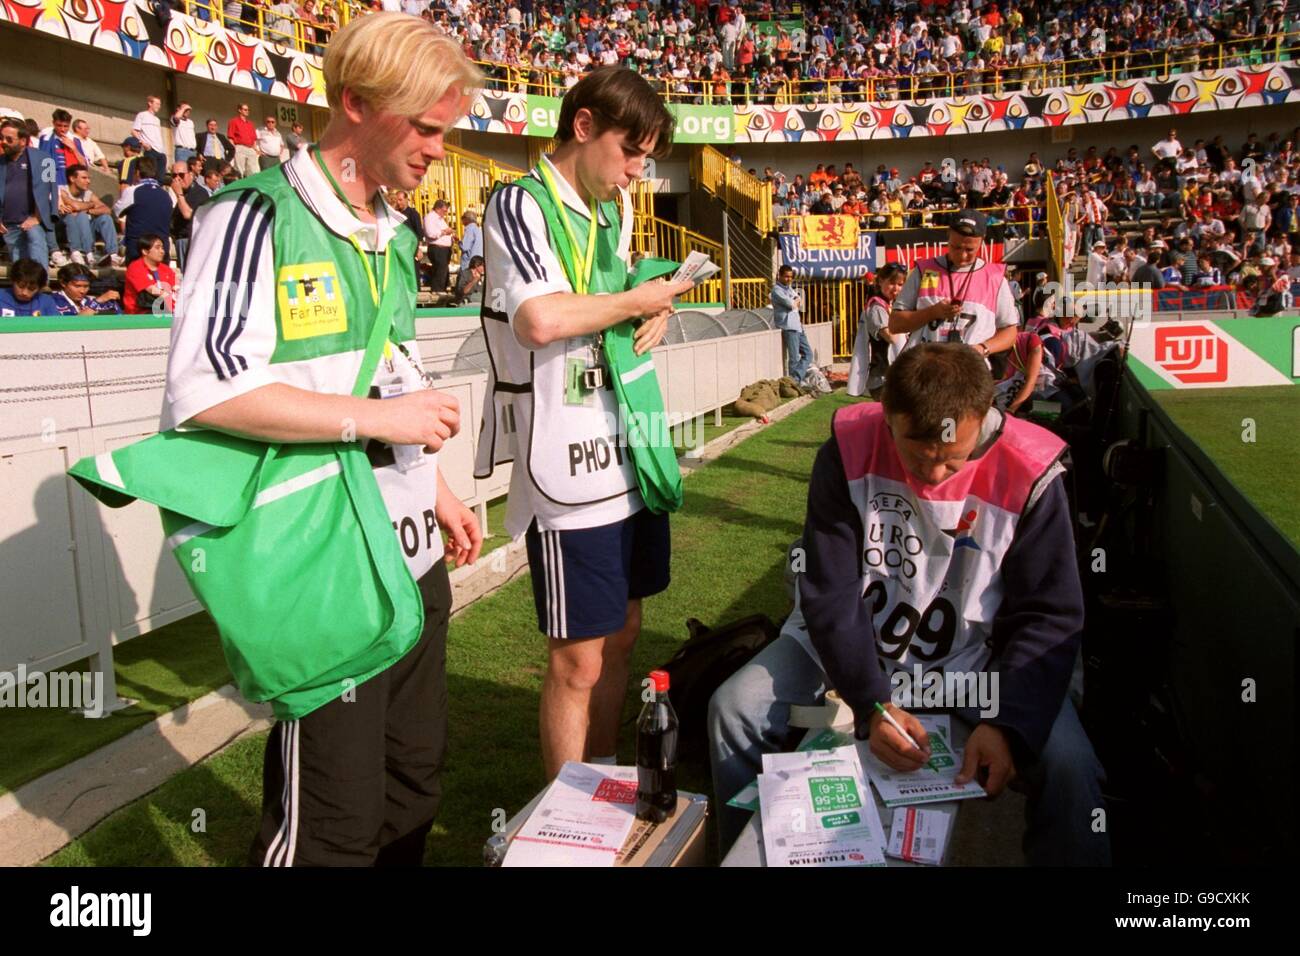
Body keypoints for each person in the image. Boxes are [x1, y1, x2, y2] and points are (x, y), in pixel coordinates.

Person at [143, 13, 483, 865]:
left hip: (409, 560)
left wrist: (432, 486)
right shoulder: (251, 214)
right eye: (428, 127)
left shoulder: (395, 236)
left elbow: (384, 375)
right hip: (323, 577)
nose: (440, 151)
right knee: (329, 827)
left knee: (413, 790)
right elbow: (207, 390)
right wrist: (380, 423)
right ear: (358, 103)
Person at [708, 343, 1109, 865]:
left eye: (952, 458)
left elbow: (1051, 615)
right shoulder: (849, 446)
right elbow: (830, 590)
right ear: (887, 418)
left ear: (982, 418)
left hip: (975, 657)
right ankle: (743, 853)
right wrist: (872, 702)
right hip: (854, 643)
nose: (935, 475)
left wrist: (1009, 724)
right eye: (917, 456)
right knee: (733, 707)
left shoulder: (1032, 468)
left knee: (1072, 769)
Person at [474, 66, 692, 780]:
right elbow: (542, 318)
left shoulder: (614, 208)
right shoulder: (520, 204)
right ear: (584, 125)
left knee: (626, 631)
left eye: (646, 158)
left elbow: (613, 290)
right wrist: (638, 302)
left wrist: (653, 302)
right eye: (631, 151)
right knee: (578, 658)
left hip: (629, 441)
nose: (636, 172)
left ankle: (604, 782)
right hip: (564, 457)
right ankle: (566, 818)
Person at [887, 209, 1019, 363]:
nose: (962, 255)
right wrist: (933, 312)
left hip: (971, 373)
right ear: (948, 235)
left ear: (982, 241)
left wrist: (983, 348)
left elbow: (1010, 331)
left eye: (970, 250)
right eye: (956, 247)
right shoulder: (924, 271)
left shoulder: (995, 278)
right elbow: (895, 324)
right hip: (925, 371)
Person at [0, 118, 58, 270]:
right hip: (8, 224)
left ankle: (42, 284)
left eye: (9, 139)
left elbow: (51, 190)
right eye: (1, 138)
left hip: (33, 220)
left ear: (23, 141)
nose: (3, 142)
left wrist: (37, 217)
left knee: (36, 242)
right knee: (20, 267)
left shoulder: (46, 159)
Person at [846, 261, 906, 399]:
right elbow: (892, 337)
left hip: (892, 376)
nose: (896, 288)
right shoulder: (877, 307)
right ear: (880, 281)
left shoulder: (890, 304)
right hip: (882, 379)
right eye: (892, 283)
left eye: (900, 284)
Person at [113, 156, 173, 265]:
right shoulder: (165, 194)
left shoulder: (132, 191)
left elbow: (117, 212)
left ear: (137, 172)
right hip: (161, 248)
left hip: (139, 248)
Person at [59, 164, 121, 266]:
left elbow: (107, 209)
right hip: (67, 233)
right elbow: (76, 206)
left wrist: (88, 211)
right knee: (82, 217)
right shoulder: (62, 190)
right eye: (84, 178)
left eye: (88, 178)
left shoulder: (87, 193)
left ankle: (113, 254)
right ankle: (87, 254)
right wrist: (91, 205)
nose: (88, 181)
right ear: (72, 179)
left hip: (87, 231)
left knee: (105, 218)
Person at [772, 264, 813, 383]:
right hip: (788, 326)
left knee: (808, 354)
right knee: (794, 358)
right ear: (779, 275)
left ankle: (796, 379)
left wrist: (795, 301)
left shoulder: (789, 288)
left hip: (798, 326)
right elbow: (792, 304)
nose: (789, 279)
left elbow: (799, 300)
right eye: (786, 277)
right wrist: (795, 301)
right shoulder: (777, 290)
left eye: (790, 277)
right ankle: (794, 383)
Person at [123, 234, 177, 314]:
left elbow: (175, 288)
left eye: (162, 248)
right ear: (145, 251)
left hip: (166, 312)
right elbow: (150, 290)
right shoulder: (135, 267)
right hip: (139, 313)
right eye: (157, 248)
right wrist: (168, 295)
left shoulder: (166, 269)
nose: (162, 251)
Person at [52, 262, 121, 315]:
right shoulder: (51, 301)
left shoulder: (91, 300)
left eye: (86, 286)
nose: (82, 291)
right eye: (77, 286)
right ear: (63, 283)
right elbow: (70, 325)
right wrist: (97, 302)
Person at [423, 197, 454, 291]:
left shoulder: (440, 219)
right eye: (444, 211)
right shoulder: (430, 217)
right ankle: (438, 292)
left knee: (443, 272)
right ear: (438, 208)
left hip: (444, 250)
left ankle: (442, 290)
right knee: (439, 272)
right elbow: (430, 233)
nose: (445, 213)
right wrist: (445, 232)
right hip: (437, 249)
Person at [227, 103, 259, 178]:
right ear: (239, 110)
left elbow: (253, 138)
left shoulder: (250, 124)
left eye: (248, 110)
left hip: (250, 148)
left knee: (253, 170)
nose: (247, 111)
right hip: (240, 147)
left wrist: (255, 149)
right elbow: (230, 136)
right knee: (239, 170)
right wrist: (234, 148)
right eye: (245, 109)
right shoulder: (234, 121)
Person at [458, 207, 482, 276]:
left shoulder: (469, 229)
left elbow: (465, 247)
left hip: (469, 263)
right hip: (478, 262)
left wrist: (458, 242)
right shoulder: (478, 230)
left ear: (466, 219)